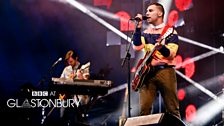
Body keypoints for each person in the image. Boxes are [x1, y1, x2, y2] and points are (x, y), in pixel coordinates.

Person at [132, 2, 181, 118]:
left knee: (172, 108)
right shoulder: (146, 32)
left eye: (150, 11)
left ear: (160, 13)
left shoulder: (170, 31)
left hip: (165, 71)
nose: (147, 13)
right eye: (147, 11)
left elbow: (171, 55)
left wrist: (162, 47)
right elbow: (137, 46)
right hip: (147, 73)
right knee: (144, 111)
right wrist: (138, 28)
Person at [60, 50, 90, 125]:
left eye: (71, 61)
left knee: (77, 119)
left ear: (76, 58)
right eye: (68, 62)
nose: (69, 64)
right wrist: (67, 80)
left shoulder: (83, 68)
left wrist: (81, 78)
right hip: (67, 97)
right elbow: (60, 82)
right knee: (62, 115)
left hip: (79, 97)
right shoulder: (66, 69)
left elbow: (87, 82)